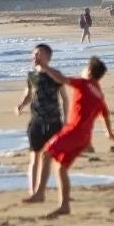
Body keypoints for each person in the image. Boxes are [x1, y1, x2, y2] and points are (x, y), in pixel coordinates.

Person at [29, 55, 114, 217]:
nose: (82, 70)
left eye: (84, 67)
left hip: (73, 132)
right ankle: (64, 206)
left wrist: (45, 67)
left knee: (46, 153)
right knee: (61, 168)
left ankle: (39, 193)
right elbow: (105, 114)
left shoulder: (84, 83)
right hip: (84, 137)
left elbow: (61, 79)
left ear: (89, 71)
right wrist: (108, 132)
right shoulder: (98, 92)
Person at [14, 43, 68, 204]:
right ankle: (34, 192)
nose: (35, 56)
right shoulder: (31, 76)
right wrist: (20, 105)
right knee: (34, 157)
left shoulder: (56, 75)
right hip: (36, 122)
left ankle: (44, 191)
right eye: (34, 54)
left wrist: (66, 121)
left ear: (48, 57)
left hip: (53, 122)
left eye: (39, 54)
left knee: (50, 158)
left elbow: (64, 98)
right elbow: (28, 94)